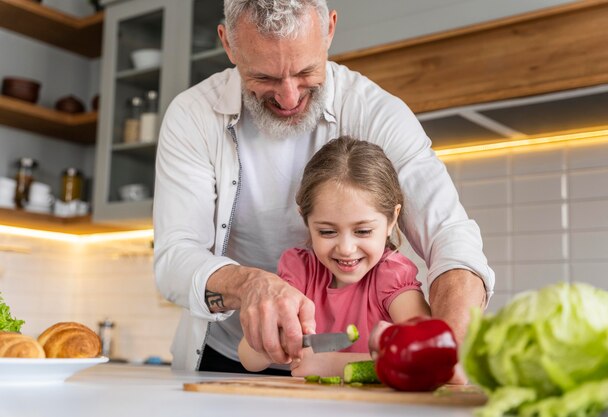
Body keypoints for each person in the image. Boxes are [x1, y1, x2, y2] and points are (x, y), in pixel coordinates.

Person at [153, 0, 495, 380]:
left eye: (305, 72)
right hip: (223, 356)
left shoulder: (377, 112)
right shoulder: (192, 116)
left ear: (330, 29)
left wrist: (445, 351)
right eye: (264, 77)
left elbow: (449, 234)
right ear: (228, 44)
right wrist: (251, 285)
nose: (288, 97)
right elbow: (175, 257)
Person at [238, 137, 431, 376]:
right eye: (327, 232)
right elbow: (248, 358)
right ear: (306, 221)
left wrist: (330, 364)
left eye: (363, 231)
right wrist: (277, 338)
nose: (346, 248)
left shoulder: (392, 276)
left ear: (392, 219)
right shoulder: (300, 270)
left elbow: (425, 357)